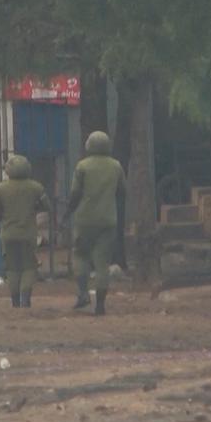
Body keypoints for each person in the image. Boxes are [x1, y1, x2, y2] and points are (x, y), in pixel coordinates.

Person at [66, 131, 125, 316]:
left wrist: (68, 212)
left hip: (85, 219)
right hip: (108, 220)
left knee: (81, 256)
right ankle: (100, 305)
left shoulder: (82, 166)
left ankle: (83, 293)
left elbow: (75, 193)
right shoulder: (116, 166)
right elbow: (123, 191)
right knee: (102, 263)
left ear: (88, 146)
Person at [0, 154, 50, 308]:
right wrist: (33, 208)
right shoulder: (36, 187)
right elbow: (47, 206)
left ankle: (15, 301)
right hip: (28, 234)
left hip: (8, 234)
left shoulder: (1, 189)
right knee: (28, 266)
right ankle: (25, 300)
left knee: (12, 268)